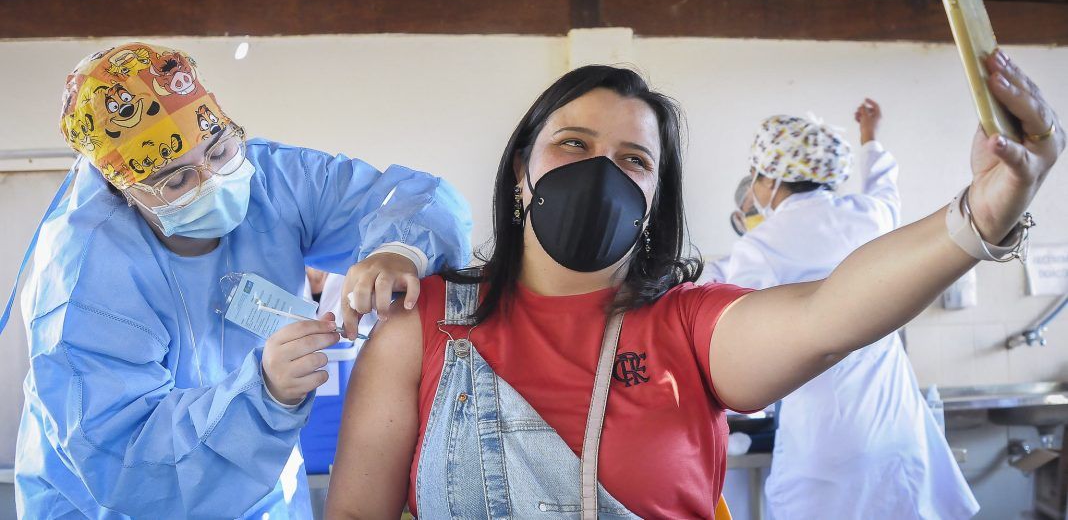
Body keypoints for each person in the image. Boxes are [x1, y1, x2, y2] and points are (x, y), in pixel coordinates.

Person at [326, 53, 1062, 519]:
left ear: (655, 199)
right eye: (574, 144)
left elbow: (827, 316)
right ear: (522, 171)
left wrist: (982, 213)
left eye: (634, 160)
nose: (601, 173)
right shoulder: (423, 323)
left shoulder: (689, 326)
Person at [9, 42, 472, 518]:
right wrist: (262, 395)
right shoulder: (83, 280)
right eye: (176, 181)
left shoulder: (271, 179)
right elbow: (130, 466)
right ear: (123, 189)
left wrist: (399, 250)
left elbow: (415, 199)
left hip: (262, 487)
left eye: (219, 150)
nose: (213, 181)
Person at [707, 99, 979, 519]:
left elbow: (739, 344)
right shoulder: (872, 215)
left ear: (773, 178)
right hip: (895, 422)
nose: (756, 189)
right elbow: (885, 183)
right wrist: (869, 135)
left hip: (824, 440)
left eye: (757, 176)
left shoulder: (759, 247)